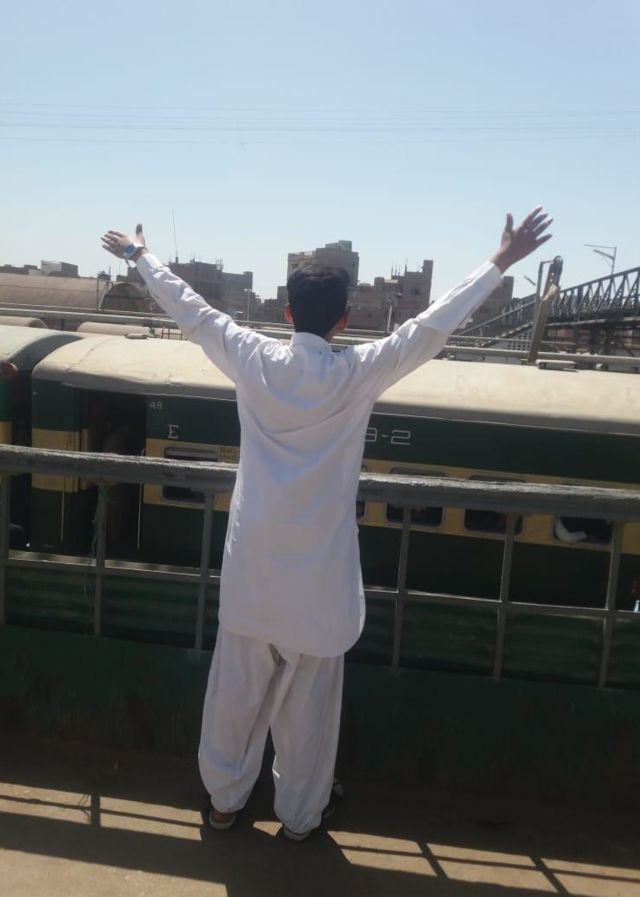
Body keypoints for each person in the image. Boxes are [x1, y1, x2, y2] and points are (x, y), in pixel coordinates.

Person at [102, 208, 552, 840]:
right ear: (343, 321)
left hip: (253, 575)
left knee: (234, 697)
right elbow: (430, 328)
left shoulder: (251, 358)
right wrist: (500, 262)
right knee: (308, 714)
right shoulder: (357, 374)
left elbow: (192, 311)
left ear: (288, 312)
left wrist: (140, 256)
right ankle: (300, 818)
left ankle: (225, 803)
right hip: (320, 587)